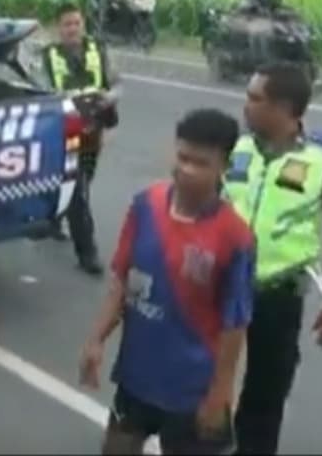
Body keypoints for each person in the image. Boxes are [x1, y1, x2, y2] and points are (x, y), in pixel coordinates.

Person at [79, 108, 255, 455]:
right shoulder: (146, 206)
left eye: (200, 163)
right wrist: (96, 340)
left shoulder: (235, 236)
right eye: (182, 157)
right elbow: (120, 280)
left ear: (224, 166)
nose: (186, 170)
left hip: (191, 392)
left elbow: (234, 326)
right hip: (136, 378)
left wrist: (220, 394)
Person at [228, 62, 322, 455]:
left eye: (255, 99)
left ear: (285, 109)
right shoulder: (236, 147)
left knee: (264, 401)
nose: (246, 105)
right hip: (222, 287)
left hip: (277, 297)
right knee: (201, 384)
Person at [38, 1, 121, 275]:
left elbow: (117, 84)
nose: (72, 29)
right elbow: (39, 91)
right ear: (57, 29)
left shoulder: (98, 49)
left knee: (83, 178)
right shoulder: (47, 56)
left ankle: (54, 217)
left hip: (93, 128)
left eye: (76, 23)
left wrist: (108, 98)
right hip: (63, 131)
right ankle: (87, 251)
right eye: (66, 24)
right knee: (77, 189)